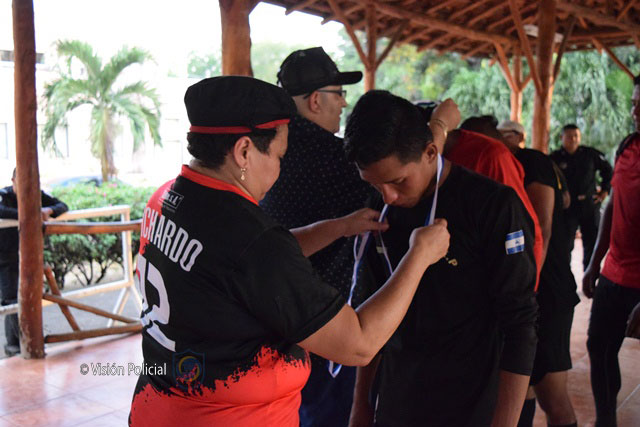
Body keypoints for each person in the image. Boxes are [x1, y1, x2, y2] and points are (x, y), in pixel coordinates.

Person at [128, 76, 450, 426]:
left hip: (157, 405)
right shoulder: (253, 240)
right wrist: (419, 256)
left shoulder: (166, 198)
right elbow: (359, 344)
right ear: (244, 151)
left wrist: (338, 227)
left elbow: (236, 266)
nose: (280, 169)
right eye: (280, 156)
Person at [346, 91, 538, 427]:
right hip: (399, 395)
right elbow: (371, 309)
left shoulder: (492, 206)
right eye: (374, 184)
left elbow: (520, 325)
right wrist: (361, 406)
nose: (388, 196)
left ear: (430, 152)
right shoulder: (380, 209)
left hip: (471, 399)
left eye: (397, 181)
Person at [260, 48, 369, 426]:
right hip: (323, 317)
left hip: (269, 311)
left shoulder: (263, 149)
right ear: (316, 101)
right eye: (339, 94)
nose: (344, 103)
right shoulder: (339, 159)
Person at [497, 124, 579, 427]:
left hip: (549, 293)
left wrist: (525, 290)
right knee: (522, 387)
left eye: (508, 133)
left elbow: (541, 228)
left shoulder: (533, 162)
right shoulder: (521, 163)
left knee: (552, 395)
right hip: (531, 294)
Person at [582, 76, 640, 427]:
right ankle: (606, 421)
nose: (635, 112)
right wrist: (594, 262)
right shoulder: (628, 147)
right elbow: (613, 203)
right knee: (599, 347)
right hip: (614, 274)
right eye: (634, 104)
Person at [429, 113, 544, 289]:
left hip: (499, 277)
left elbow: (525, 228)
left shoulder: (493, 155)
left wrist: (526, 289)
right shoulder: (447, 156)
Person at [0, 167, 68, 356]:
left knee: (25, 297)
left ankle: (17, 345)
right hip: (5, 257)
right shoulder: (4, 195)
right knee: (11, 300)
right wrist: (30, 214)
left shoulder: (36, 195)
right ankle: (19, 344)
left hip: (27, 256)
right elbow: (1, 211)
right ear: (13, 181)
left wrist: (48, 210)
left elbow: (62, 206)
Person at [550, 124, 613, 271]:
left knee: (592, 243)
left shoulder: (589, 154)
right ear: (561, 137)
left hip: (589, 205)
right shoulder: (555, 158)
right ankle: (564, 278)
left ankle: (589, 275)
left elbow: (608, 170)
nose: (573, 139)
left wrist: (605, 190)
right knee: (564, 245)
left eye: (576, 136)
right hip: (567, 208)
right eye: (569, 136)